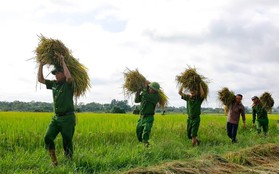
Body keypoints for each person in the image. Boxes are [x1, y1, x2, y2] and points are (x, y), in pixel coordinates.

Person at [38, 55, 76, 166]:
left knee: (67, 142)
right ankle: (54, 161)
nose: (55, 75)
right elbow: (40, 79)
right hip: (56, 118)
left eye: (57, 73)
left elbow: (69, 78)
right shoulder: (54, 84)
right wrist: (41, 64)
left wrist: (63, 61)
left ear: (63, 73)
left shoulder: (69, 85)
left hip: (68, 118)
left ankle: (69, 162)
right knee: (47, 137)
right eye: (54, 74)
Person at [135, 81, 160, 147]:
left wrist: (145, 87)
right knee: (138, 131)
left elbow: (145, 95)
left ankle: (146, 148)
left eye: (151, 88)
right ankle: (144, 146)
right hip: (141, 118)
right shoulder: (145, 94)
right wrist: (138, 91)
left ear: (155, 90)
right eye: (149, 88)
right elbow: (136, 100)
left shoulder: (155, 97)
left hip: (149, 118)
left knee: (145, 134)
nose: (150, 89)